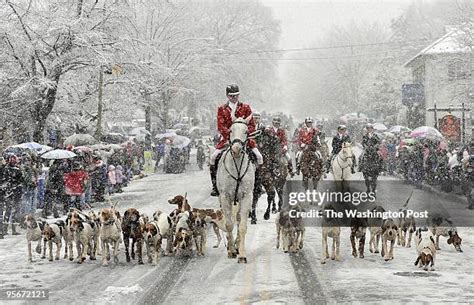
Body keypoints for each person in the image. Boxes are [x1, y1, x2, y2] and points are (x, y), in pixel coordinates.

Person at [209, 84, 263, 196]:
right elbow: (221, 126)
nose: (234, 98)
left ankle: (258, 185)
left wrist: (244, 134)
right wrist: (231, 135)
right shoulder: (222, 109)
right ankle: (215, 186)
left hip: (244, 140)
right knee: (213, 158)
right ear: (227, 96)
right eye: (231, 96)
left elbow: (252, 125)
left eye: (236, 95)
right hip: (227, 140)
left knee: (259, 157)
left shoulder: (246, 107)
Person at [3, 154, 24, 235]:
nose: (13, 161)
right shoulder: (7, 170)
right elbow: (20, 181)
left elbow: (21, 181)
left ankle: (10, 229)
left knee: (12, 211)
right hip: (11, 193)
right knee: (10, 211)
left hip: (13, 193)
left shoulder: (16, 170)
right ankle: (6, 229)